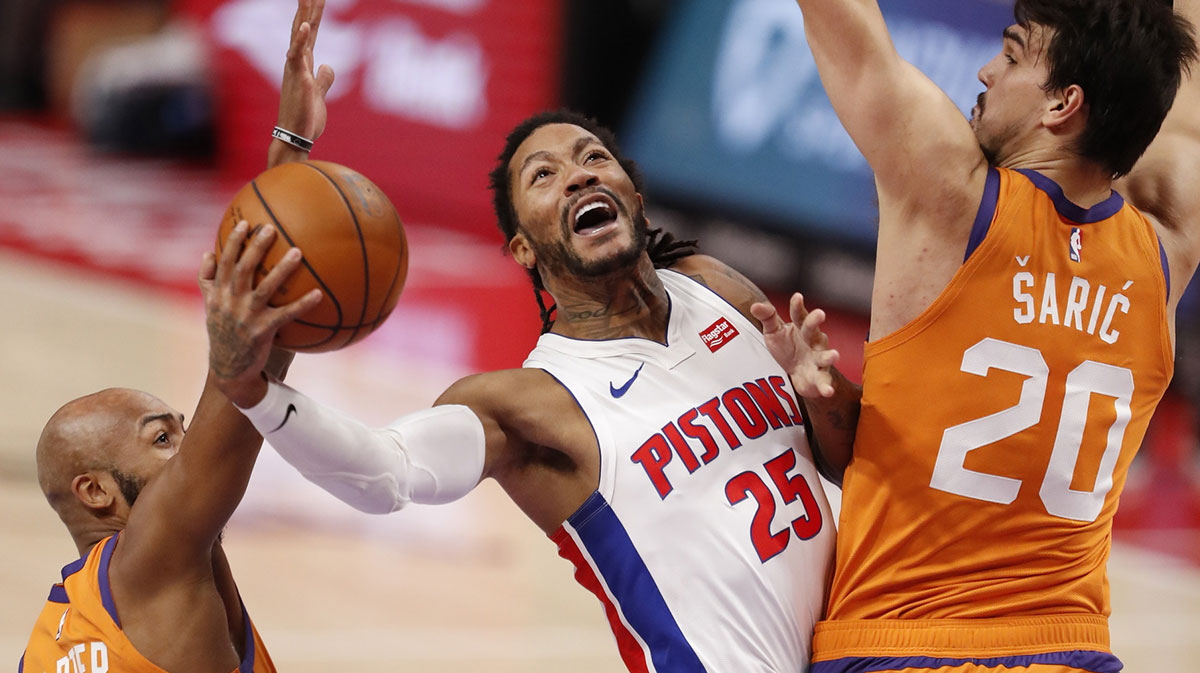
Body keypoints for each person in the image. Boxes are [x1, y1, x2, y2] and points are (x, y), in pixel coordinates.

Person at [206, 2, 862, 671]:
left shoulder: (715, 287)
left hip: (864, 649)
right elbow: (385, 471)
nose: (578, 174)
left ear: (633, 196)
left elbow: (851, 459)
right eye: (543, 175)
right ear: (524, 250)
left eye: (593, 158)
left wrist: (823, 394)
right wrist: (255, 391)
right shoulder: (530, 403)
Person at [772, 0, 1200, 671]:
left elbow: (843, 24)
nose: (984, 70)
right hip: (1072, 649)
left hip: (904, 645)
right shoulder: (1167, 247)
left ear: (1062, 106)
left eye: (1010, 53)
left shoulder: (949, 195)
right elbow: (1187, 112)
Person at [19, 4, 328, 668]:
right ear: (97, 492)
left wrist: (287, 164)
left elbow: (253, 378)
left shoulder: (59, 630)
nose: (191, 449)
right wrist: (287, 162)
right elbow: (244, 391)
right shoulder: (150, 557)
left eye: (181, 431)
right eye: (163, 437)